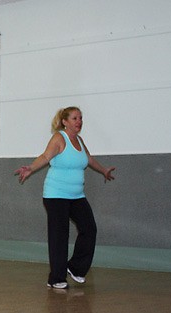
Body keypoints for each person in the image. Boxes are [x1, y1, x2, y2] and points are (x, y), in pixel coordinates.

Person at [15, 106, 115, 289]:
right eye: (75, 118)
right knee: (59, 235)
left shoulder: (80, 140)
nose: (79, 122)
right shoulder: (59, 138)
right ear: (65, 122)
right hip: (56, 195)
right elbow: (46, 156)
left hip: (77, 196)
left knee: (89, 228)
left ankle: (76, 269)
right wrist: (30, 168)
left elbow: (89, 159)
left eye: (81, 118)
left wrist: (104, 170)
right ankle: (56, 278)